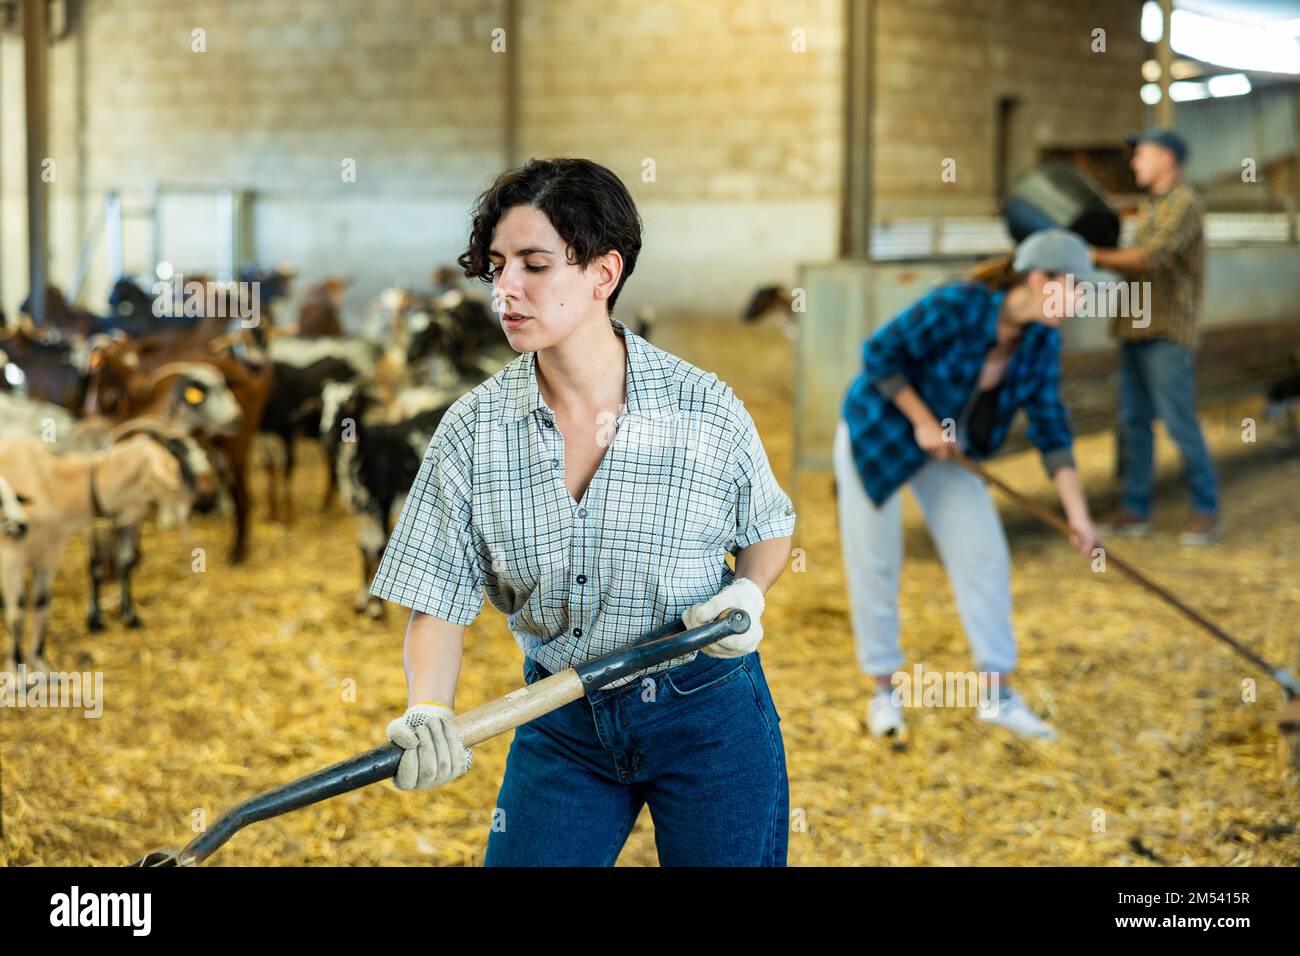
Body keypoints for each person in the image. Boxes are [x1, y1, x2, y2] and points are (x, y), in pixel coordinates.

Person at [368, 158, 796, 866]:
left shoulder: (702, 407)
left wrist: (749, 592)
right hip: (560, 719)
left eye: (535, 265)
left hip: (708, 712)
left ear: (603, 273)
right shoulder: (472, 433)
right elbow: (437, 602)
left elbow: (768, 528)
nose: (506, 288)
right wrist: (429, 709)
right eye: (498, 265)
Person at [834, 229, 1104, 741]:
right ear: (1039, 278)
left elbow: (1052, 428)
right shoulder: (958, 304)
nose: (1079, 304)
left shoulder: (1042, 341)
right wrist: (920, 419)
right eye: (1075, 290)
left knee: (984, 555)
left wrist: (1079, 518)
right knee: (875, 561)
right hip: (879, 435)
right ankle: (885, 695)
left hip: (948, 450)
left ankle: (998, 696)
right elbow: (880, 354)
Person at [1092, 127, 1220, 546]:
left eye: (1141, 155)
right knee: (1133, 422)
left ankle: (1205, 509)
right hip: (1135, 326)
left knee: (1179, 420)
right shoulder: (1151, 206)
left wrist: (1088, 255)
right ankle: (1135, 508)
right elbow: (1132, 261)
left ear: (1167, 159)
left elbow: (1150, 259)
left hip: (1167, 330)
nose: (1134, 163)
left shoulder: (1184, 204)